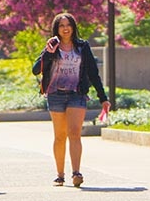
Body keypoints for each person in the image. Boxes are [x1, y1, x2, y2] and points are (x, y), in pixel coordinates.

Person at [32, 13, 110, 187]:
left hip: (77, 94)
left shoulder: (82, 47)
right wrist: (48, 54)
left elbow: (93, 73)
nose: (65, 28)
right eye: (61, 25)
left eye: (68, 25)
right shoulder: (52, 46)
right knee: (60, 136)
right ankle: (60, 175)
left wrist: (103, 98)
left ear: (74, 27)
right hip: (55, 94)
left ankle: (76, 172)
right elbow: (36, 70)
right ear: (56, 29)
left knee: (74, 132)